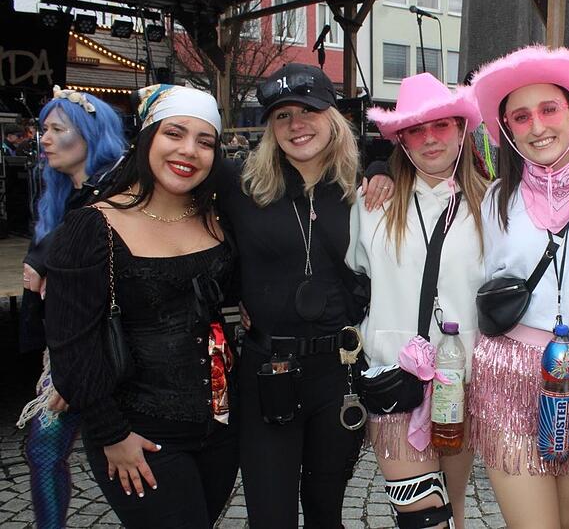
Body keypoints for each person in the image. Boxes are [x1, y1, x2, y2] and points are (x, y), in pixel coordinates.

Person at [45, 84, 237, 528]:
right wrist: (111, 434)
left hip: (221, 424)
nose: (189, 150)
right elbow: (71, 347)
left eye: (205, 141)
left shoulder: (216, 219)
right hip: (140, 434)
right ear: (148, 137)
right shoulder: (92, 226)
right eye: (175, 133)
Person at [215, 63, 391, 528]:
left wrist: (383, 167)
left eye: (308, 111)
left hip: (338, 374)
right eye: (282, 115)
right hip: (267, 370)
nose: (296, 125)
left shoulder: (361, 188)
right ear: (270, 128)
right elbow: (148, 187)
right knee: (270, 517)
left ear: (332, 116)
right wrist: (50, 252)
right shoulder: (239, 185)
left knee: (325, 512)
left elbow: (420, 153)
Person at [467, 45, 569, 528]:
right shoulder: (496, 200)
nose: (537, 127)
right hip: (508, 375)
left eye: (549, 109)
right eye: (521, 116)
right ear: (506, 129)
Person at [358, 72, 487, 528]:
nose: (430, 139)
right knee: (422, 519)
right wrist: (375, 172)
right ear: (402, 140)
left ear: (460, 130)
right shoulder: (372, 205)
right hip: (395, 380)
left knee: (453, 507)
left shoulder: (492, 207)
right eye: (416, 129)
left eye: (441, 126)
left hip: (461, 380)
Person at [15, 86, 126, 529]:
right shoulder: (61, 197)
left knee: (48, 446)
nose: (43, 138)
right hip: (63, 349)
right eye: (43, 129)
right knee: (43, 451)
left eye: (56, 129)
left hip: (99, 352)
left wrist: (73, 371)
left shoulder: (115, 196)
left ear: (90, 135)